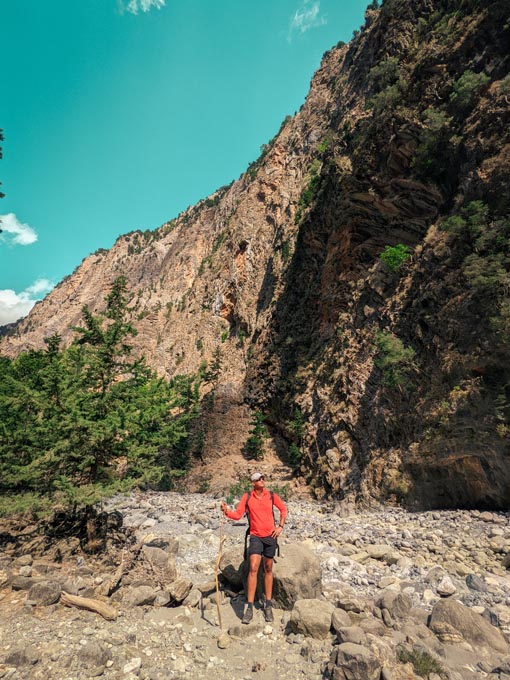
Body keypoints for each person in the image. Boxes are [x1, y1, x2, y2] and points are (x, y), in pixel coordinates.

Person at [221, 472, 287, 624]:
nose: (262, 480)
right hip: (255, 536)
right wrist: (226, 511)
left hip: (270, 536)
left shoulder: (271, 495)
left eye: (263, 478)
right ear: (253, 482)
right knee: (253, 567)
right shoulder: (247, 497)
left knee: (269, 568)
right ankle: (249, 607)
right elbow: (238, 515)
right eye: (259, 479)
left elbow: (283, 510)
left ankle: (268, 604)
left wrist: (280, 527)